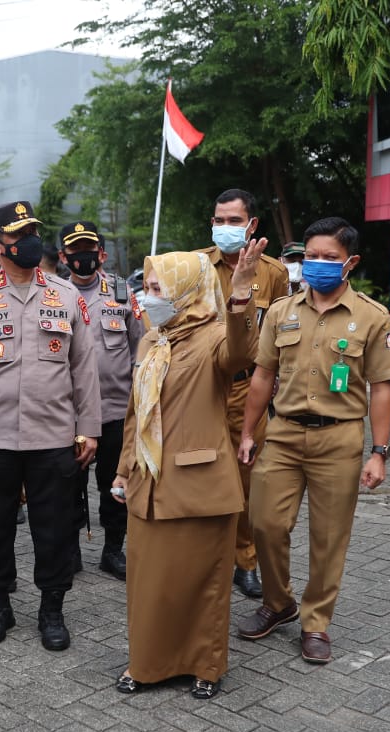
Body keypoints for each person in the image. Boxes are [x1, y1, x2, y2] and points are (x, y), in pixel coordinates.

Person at [236, 216, 390, 664]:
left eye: (330, 257)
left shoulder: (371, 316)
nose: (318, 264)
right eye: (311, 256)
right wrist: (248, 433)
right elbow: (262, 377)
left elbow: (382, 386)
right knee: (265, 524)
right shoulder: (283, 312)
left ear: (351, 262)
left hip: (340, 439)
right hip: (284, 433)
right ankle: (278, 602)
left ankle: (316, 622)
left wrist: (379, 453)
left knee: (329, 538)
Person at [112, 246, 262, 699]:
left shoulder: (214, 336)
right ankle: (147, 663)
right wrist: (122, 471)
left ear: (185, 291)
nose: (148, 296)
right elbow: (136, 413)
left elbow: (242, 351)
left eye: (158, 288)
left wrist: (240, 296)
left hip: (198, 483)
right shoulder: (151, 340)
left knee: (203, 584)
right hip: (148, 482)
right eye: (148, 286)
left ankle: (206, 666)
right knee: (150, 585)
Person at [0, 200, 100, 650]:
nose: (32, 242)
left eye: (33, 232)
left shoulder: (66, 296)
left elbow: (84, 369)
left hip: (53, 437)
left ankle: (51, 610)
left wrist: (88, 428)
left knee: (53, 530)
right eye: (20, 236)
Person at [194, 188, 290, 599]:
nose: (225, 228)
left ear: (252, 226)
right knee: (200, 474)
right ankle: (205, 558)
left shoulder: (273, 273)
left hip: (248, 390)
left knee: (248, 478)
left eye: (234, 221)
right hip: (201, 388)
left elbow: (283, 330)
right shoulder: (195, 266)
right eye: (219, 220)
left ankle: (245, 560)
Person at [59, 220, 143, 579]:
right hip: (67, 412)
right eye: (75, 251)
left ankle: (113, 549)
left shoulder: (123, 294)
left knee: (114, 483)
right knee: (67, 484)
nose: (82, 257)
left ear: (101, 254)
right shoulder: (53, 294)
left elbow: (142, 349)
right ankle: (71, 548)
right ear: (63, 257)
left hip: (115, 410)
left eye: (88, 250)